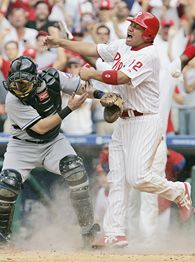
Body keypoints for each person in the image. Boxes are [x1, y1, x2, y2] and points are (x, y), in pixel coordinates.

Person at [43, 11, 193, 248]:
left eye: (137, 26)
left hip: (145, 120)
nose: (131, 28)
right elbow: (94, 49)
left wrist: (91, 73)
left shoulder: (149, 54)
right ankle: (115, 232)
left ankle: (179, 190)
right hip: (124, 120)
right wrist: (60, 41)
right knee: (117, 178)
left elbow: (121, 77)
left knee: (138, 178)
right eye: (132, 23)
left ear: (149, 34)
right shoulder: (124, 46)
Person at [0, 55, 100, 248]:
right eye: (16, 83)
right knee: (6, 186)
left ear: (35, 77)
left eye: (23, 83)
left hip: (53, 142)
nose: (19, 88)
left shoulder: (52, 77)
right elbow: (41, 127)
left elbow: (82, 87)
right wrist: (69, 108)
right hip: (23, 145)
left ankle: (88, 233)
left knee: (76, 172)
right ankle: (3, 240)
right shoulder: (13, 100)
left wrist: (102, 96)